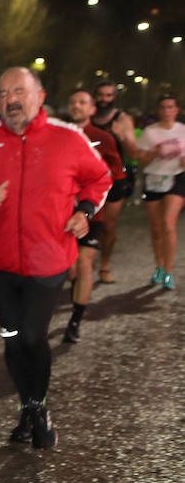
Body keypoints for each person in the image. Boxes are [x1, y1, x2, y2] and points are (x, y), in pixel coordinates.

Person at [0, 68, 111, 449]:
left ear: (40, 95)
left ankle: (38, 406)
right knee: (11, 340)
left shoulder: (68, 138)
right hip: (2, 266)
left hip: (49, 261)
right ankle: (28, 407)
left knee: (33, 336)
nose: (11, 100)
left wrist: (84, 210)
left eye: (19, 90)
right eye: (3, 94)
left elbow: (99, 179)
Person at [62, 88, 125, 341]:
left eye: (83, 102)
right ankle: (73, 296)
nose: (77, 106)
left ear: (91, 109)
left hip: (90, 212)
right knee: (71, 269)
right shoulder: (57, 136)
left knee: (84, 262)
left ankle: (75, 320)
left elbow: (116, 172)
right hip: (59, 212)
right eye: (73, 102)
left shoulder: (103, 137)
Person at [90, 81, 139, 283]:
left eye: (109, 95)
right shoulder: (87, 117)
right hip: (87, 179)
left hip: (114, 179)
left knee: (108, 226)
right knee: (84, 223)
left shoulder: (122, 119)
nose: (104, 99)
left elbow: (133, 153)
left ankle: (104, 266)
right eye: (101, 95)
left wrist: (121, 136)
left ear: (114, 97)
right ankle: (82, 263)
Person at [136, 93, 185, 289]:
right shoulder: (150, 132)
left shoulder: (183, 131)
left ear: (176, 110)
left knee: (168, 224)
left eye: (170, 107)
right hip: (154, 179)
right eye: (163, 107)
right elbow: (141, 162)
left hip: (177, 178)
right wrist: (153, 153)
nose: (166, 111)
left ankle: (169, 272)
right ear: (159, 111)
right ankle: (159, 266)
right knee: (156, 229)